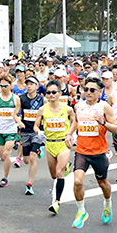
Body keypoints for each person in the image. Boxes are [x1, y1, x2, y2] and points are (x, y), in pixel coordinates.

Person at [67, 76, 117, 229]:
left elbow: (116, 129)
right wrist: (69, 134)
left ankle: (108, 204)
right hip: (82, 151)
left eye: (92, 90)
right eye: (85, 89)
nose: (88, 92)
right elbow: (76, 122)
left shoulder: (104, 107)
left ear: (99, 92)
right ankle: (81, 211)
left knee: (103, 183)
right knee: (77, 182)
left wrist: (102, 122)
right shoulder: (79, 106)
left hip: (99, 152)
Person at [34, 80, 75, 214]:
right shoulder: (42, 109)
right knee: (53, 175)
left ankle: (57, 202)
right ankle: (67, 166)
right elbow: (36, 125)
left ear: (59, 93)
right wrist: (38, 131)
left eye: (53, 92)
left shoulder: (67, 109)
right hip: (50, 143)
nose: (50, 95)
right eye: (48, 93)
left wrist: (70, 134)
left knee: (59, 173)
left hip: (63, 143)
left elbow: (75, 121)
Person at [0, 73, 21, 188]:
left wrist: (19, 123)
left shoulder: (15, 99)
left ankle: (5, 178)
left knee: (7, 153)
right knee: (2, 157)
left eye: (6, 86)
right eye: (1, 86)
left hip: (11, 130)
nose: (3, 88)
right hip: (0, 130)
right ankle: (14, 142)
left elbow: (17, 114)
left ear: (11, 85)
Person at [17, 76, 45, 195]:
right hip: (25, 131)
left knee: (33, 157)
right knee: (26, 160)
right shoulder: (21, 98)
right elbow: (16, 114)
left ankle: (29, 184)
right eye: (27, 84)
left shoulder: (42, 100)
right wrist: (19, 122)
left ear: (37, 86)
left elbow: (46, 114)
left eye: (31, 84)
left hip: (37, 131)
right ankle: (38, 150)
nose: (29, 86)